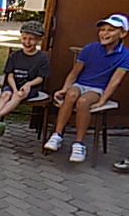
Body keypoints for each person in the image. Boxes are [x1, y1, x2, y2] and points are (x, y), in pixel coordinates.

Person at [44, 14, 129, 163]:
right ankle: (57, 135)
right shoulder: (90, 48)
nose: (104, 33)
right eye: (102, 29)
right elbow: (74, 73)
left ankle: (79, 143)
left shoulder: (125, 55)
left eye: (111, 30)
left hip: (97, 89)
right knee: (71, 94)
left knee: (83, 102)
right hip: (80, 85)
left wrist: (102, 100)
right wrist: (65, 88)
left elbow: (114, 81)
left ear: (122, 33)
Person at [0, 20, 50, 138]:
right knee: (5, 94)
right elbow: (10, 75)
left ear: (39, 40)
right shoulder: (14, 55)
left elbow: (40, 78)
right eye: (24, 38)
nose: (27, 42)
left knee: (19, 95)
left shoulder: (42, 57)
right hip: (13, 84)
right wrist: (14, 89)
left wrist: (28, 84)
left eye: (31, 39)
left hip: (31, 87)